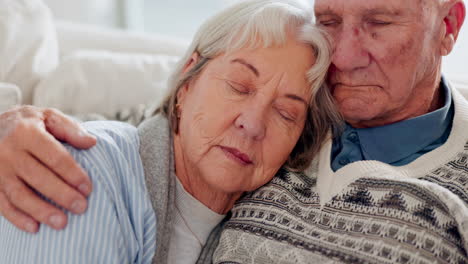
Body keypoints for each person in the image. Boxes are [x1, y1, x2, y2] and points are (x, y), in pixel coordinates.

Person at [0, 0, 341, 263]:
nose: (252, 124)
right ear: (188, 82)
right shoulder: (80, 170)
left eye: (286, 113)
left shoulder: (266, 228)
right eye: (239, 86)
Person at [209, 0, 468, 263]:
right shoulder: (269, 116)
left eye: (379, 22)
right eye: (329, 23)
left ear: (448, 25)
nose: (342, 59)